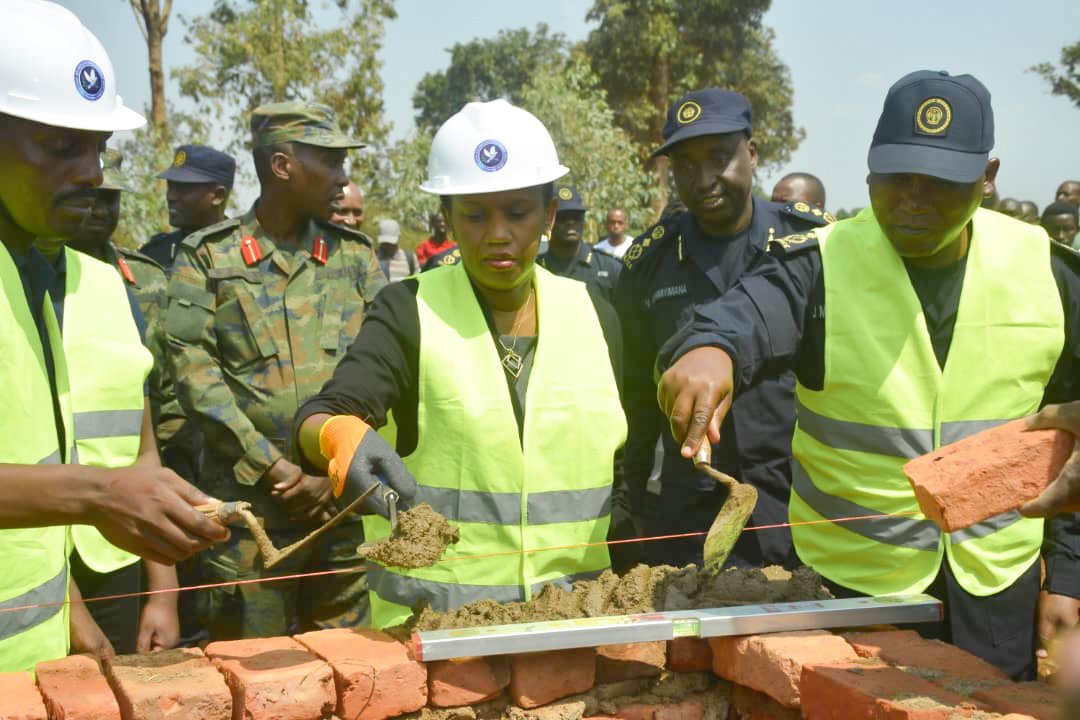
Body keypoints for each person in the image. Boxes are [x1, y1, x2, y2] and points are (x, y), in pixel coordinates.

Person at [656, 70, 1080, 679]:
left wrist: (1068, 573)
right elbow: (740, 317)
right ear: (868, 171)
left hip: (997, 586)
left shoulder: (1047, 271)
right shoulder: (818, 264)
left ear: (987, 180)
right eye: (895, 178)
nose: (912, 199)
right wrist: (708, 349)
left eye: (939, 183)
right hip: (852, 586)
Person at [293, 99, 627, 629]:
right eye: (474, 214)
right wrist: (334, 434)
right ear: (447, 219)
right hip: (431, 634)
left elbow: (624, 475)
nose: (497, 233)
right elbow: (326, 411)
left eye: (517, 212)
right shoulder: (408, 310)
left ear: (549, 216)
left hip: (571, 627)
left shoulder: (597, 315)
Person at [0, 0, 226, 671]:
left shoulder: (58, 274)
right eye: (62, 146)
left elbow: (129, 437)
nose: (93, 173)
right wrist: (99, 495)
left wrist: (145, 585)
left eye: (98, 147)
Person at [163, 101, 385, 640]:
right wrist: (274, 468)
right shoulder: (207, 259)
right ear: (282, 166)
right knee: (251, 668)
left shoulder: (355, 258)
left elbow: (382, 368)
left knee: (352, 662)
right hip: (250, 513)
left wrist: (329, 472)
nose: (342, 176)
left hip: (337, 503)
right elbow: (193, 371)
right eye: (329, 161)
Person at [614, 87, 832, 570]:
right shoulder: (648, 264)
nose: (704, 178)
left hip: (792, 502)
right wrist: (627, 505)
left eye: (719, 158)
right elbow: (633, 400)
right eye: (685, 166)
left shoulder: (811, 248)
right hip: (687, 507)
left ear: (751, 154)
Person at [54, 149, 180, 654]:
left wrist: (165, 589)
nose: (96, 208)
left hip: (115, 554)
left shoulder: (114, 286)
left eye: (107, 196)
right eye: (83, 194)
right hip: (35, 570)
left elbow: (142, 444)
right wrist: (69, 608)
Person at [141, 144, 235, 269]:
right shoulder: (154, 253)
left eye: (183, 189)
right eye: (170, 186)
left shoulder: (243, 255)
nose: (171, 196)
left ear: (218, 196)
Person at [537, 185, 621, 301]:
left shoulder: (609, 268)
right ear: (548, 221)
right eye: (562, 217)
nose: (571, 222)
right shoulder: (537, 267)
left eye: (576, 217)